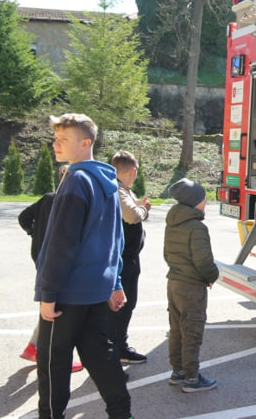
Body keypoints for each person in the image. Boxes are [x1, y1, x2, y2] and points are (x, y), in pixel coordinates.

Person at [34, 113, 131, 419]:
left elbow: (61, 245)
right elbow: (117, 238)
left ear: (85, 143)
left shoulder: (76, 179)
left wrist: (47, 293)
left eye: (63, 139)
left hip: (67, 293)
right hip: (95, 290)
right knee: (100, 355)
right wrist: (114, 282)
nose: (55, 144)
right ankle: (122, 413)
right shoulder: (108, 181)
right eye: (55, 138)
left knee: (53, 363)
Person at [18, 165, 83, 373]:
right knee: (58, 306)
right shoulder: (63, 203)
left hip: (40, 256)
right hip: (55, 258)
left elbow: (23, 218)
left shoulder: (47, 198)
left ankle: (34, 346)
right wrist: (34, 233)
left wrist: (33, 233)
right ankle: (48, 353)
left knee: (50, 302)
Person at [164, 178, 220, 393]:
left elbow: (166, 254)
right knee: (192, 332)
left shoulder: (173, 223)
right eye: (202, 197)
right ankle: (192, 378)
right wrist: (212, 276)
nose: (205, 201)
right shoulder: (197, 227)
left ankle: (177, 372)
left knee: (177, 329)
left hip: (174, 282)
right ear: (193, 202)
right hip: (191, 287)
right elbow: (204, 261)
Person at [110, 151, 151, 364]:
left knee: (124, 304)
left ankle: (117, 346)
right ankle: (117, 349)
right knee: (124, 303)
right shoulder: (118, 190)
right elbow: (132, 215)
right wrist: (143, 209)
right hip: (124, 258)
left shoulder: (122, 189)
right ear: (133, 171)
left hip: (127, 256)